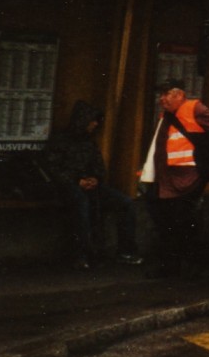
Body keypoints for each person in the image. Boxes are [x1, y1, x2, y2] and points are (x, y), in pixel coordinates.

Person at [140, 79, 209, 279]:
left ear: (179, 95)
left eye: (166, 94)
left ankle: (191, 263)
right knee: (170, 222)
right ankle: (175, 266)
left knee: (180, 221)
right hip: (168, 179)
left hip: (188, 178)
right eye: (161, 94)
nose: (162, 99)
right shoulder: (167, 116)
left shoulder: (195, 109)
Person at [43, 101, 142, 269]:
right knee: (81, 203)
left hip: (90, 185)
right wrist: (76, 181)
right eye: (92, 120)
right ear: (83, 120)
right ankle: (83, 254)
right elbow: (52, 168)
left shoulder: (89, 142)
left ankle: (126, 251)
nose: (95, 124)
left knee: (125, 203)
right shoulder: (60, 140)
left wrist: (95, 178)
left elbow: (99, 166)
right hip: (66, 187)